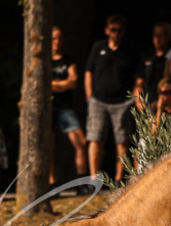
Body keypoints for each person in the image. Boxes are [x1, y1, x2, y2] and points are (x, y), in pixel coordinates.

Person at [84, 15, 135, 181]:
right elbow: (88, 72)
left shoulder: (128, 51)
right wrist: (89, 96)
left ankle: (118, 179)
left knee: (122, 141)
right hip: (98, 100)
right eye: (113, 30)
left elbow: (137, 77)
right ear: (107, 30)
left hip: (122, 102)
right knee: (95, 138)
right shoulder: (99, 47)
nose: (116, 33)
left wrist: (132, 98)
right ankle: (93, 178)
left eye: (120, 30)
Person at [49, 26, 87, 184]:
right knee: (48, 147)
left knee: (81, 142)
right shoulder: (44, 61)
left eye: (59, 38)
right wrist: (63, 84)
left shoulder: (68, 60)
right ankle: (52, 183)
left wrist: (52, 84)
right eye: (54, 38)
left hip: (66, 107)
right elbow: (42, 84)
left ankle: (82, 181)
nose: (57, 41)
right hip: (49, 107)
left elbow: (73, 82)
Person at [133, 21, 171, 109]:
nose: (157, 39)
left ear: (169, 37)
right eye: (155, 35)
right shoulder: (147, 57)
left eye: (160, 35)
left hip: (166, 105)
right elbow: (139, 83)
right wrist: (139, 102)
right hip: (147, 106)